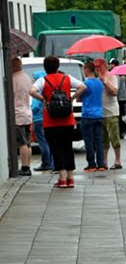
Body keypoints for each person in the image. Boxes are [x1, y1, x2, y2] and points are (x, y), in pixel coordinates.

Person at [29, 56, 86, 188]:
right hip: (67, 120)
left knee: (56, 149)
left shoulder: (42, 80)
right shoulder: (67, 78)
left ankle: (62, 178)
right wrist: (71, 98)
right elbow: (82, 86)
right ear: (58, 66)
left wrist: (43, 99)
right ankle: (71, 178)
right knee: (68, 148)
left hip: (50, 121)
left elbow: (31, 91)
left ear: (45, 67)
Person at [94, 58, 122, 169]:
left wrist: (104, 82)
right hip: (101, 113)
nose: (97, 68)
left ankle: (118, 161)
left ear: (105, 66)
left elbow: (115, 92)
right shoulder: (97, 79)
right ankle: (104, 161)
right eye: (95, 67)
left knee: (114, 137)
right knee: (103, 139)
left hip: (111, 112)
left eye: (99, 66)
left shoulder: (111, 76)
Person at [80, 62, 106, 172]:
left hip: (87, 114)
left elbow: (79, 98)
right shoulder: (100, 83)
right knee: (99, 141)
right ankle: (101, 164)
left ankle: (91, 164)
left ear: (86, 69)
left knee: (89, 141)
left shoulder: (85, 84)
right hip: (99, 114)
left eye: (83, 69)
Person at [12, 58, 33, 176]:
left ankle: (25, 168)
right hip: (27, 113)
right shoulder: (26, 77)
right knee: (28, 142)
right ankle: (28, 166)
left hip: (18, 114)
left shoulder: (13, 79)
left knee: (22, 143)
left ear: (13, 67)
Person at [31, 71, 53, 172]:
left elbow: (35, 107)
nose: (32, 80)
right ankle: (51, 162)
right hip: (46, 118)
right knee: (49, 141)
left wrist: (30, 109)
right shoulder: (47, 89)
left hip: (38, 119)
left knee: (42, 142)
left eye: (33, 77)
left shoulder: (38, 91)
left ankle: (46, 162)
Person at [110, 58, 126, 138]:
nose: (110, 66)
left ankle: (123, 129)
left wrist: (113, 93)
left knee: (118, 116)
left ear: (114, 65)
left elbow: (117, 87)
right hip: (122, 97)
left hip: (119, 98)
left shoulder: (116, 74)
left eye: (111, 64)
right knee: (119, 116)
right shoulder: (120, 73)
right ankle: (121, 131)